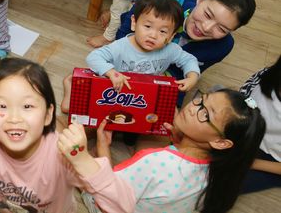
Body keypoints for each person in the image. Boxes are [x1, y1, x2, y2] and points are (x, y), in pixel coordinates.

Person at [0, 57, 127, 213]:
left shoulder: (63, 155)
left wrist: (82, 160)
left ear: (48, 115)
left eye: (27, 106)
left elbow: (122, 207)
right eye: (2, 106)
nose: (14, 118)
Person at [63, 87, 266, 213]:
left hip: (108, 205)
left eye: (205, 114)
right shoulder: (221, 168)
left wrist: (99, 150)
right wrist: (179, 141)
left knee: (59, 131)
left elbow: (112, 199)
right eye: (201, 99)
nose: (193, 107)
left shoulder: (154, 161)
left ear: (221, 142)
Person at [61, 0, 200, 112]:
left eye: (163, 31)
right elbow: (94, 56)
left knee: (169, 115)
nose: (153, 35)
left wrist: (192, 77)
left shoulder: (171, 49)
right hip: (115, 87)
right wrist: (112, 73)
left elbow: (189, 59)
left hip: (142, 92)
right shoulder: (121, 46)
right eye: (147, 26)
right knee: (79, 107)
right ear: (134, 23)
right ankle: (70, 83)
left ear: (171, 36)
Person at [116, 0, 257, 82]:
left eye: (221, 29)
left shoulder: (222, 46)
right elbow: (123, 35)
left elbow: (183, 75)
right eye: (207, 14)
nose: (206, 27)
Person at [240, 54, 281, 193]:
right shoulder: (267, 75)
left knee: (220, 185)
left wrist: (252, 163)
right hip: (247, 130)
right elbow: (245, 97)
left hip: (271, 160)